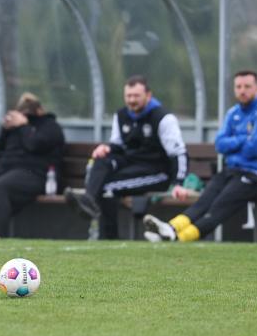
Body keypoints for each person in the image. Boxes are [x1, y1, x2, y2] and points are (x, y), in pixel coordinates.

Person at [144, 70, 257, 242]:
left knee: (219, 206)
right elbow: (220, 144)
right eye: (238, 86)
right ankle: (171, 228)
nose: (242, 90)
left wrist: (234, 146)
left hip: (256, 175)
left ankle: (179, 238)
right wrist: (243, 139)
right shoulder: (233, 113)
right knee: (204, 201)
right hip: (232, 170)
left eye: (247, 86)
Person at [65, 75, 188, 240]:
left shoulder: (163, 118)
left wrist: (178, 183)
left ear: (148, 95)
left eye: (136, 96)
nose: (131, 100)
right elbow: (117, 146)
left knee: (106, 187)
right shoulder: (121, 115)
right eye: (128, 96)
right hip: (130, 166)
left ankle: (106, 236)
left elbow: (178, 153)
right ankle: (89, 202)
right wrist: (106, 148)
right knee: (100, 160)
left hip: (156, 172)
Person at [0, 93, 65, 239]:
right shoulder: (13, 128)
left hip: (35, 173)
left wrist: (24, 126)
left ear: (40, 110)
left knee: (0, 188)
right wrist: (5, 129)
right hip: (5, 169)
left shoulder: (50, 127)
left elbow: (34, 145)